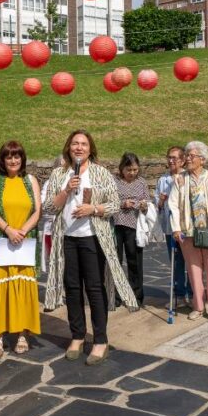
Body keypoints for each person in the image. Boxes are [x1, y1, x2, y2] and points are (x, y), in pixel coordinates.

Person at [43, 130, 137, 365]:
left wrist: (93, 209)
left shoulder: (101, 173)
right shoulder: (59, 174)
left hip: (93, 237)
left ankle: (100, 340)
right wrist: (66, 190)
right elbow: (49, 208)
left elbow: (114, 204)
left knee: (94, 289)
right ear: (68, 147)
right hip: (67, 238)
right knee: (72, 288)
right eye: (75, 143)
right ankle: (76, 336)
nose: (79, 147)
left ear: (90, 149)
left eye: (83, 144)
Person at [0, 141, 42, 358]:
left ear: (22, 158)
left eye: (17, 156)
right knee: (2, 286)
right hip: (3, 240)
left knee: (24, 285)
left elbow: (37, 211)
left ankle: (22, 334)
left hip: (25, 241)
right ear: (3, 160)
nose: (13, 160)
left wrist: (23, 230)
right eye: (9, 157)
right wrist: (9, 230)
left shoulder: (31, 180)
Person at [169, 141, 208, 324]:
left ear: (202, 159)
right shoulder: (180, 179)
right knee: (194, 273)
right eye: (187, 155)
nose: (187, 158)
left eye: (191, 156)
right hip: (189, 234)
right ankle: (198, 306)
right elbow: (173, 205)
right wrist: (176, 228)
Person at [113, 152, 150, 306]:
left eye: (135, 169)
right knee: (116, 261)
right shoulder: (114, 181)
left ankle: (137, 294)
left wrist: (143, 205)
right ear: (122, 168)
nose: (132, 173)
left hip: (134, 226)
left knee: (134, 261)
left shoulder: (141, 182)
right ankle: (116, 295)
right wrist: (122, 204)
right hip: (115, 224)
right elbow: (107, 200)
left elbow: (147, 202)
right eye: (129, 170)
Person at [157, 146, 190, 311]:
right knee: (176, 263)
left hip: (186, 228)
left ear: (183, 160)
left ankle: (193, 295)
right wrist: (161, 201)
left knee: (192, 263)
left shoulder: (188, 177)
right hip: (170, 228)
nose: (171, 161)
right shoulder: (163, 180)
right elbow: (158, 206)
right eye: (169, 157)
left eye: (174, 158)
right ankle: (179, 295)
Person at [39, 156, 65, 273]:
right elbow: (44, 205)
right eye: (61, 166)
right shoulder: (49, 184)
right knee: (54, 263)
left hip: (71, 230)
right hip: (52, 228)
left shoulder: (75, 182)